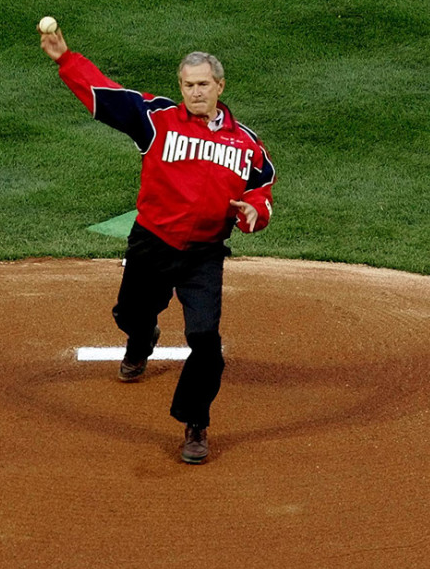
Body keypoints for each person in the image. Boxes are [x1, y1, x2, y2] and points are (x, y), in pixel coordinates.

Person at [40, 25, 275, 464]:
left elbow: (262, 191)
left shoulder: (246, 144)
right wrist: (65, 59)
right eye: (188, 85)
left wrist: (253, 214)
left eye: (203, 84)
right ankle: (140, 338)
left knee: (205, 339)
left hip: (204, 254)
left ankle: (196, 424)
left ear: (220, 86)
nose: (195, 92)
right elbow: (107, 96)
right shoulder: (157, 120)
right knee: (131, 312)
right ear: (180, 86)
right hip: (152, 243)